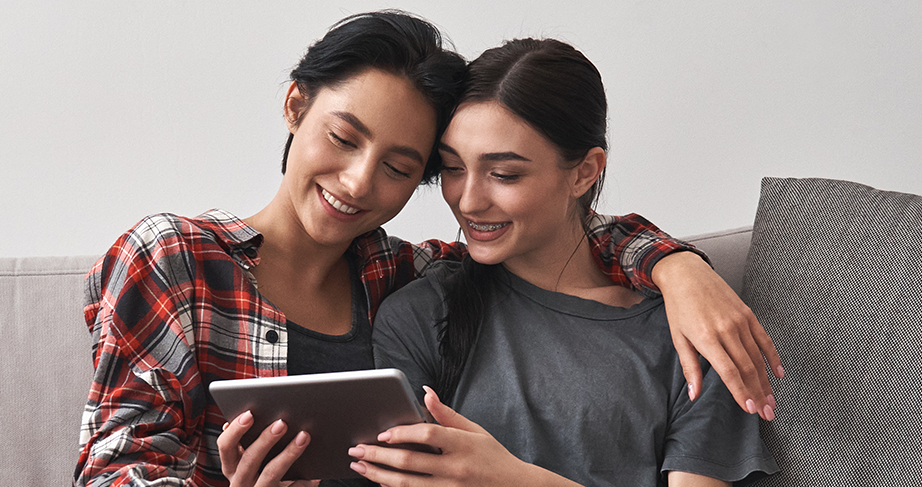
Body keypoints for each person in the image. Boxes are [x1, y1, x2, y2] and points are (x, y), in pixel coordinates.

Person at [79, 11, 778, 487]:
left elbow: (549, 242)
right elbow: (112, 464)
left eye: (401, 165)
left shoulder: (401, 273)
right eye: (343, 138)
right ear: (295, 107)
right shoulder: (174, 259)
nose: (358, 182)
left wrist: (676, 266)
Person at [351, 39, 780, 486]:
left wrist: (515, 480)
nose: (469, 201)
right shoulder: (421, 313)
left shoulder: (693, 332)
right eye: (453, 168)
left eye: (504, 174)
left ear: (584, 172)